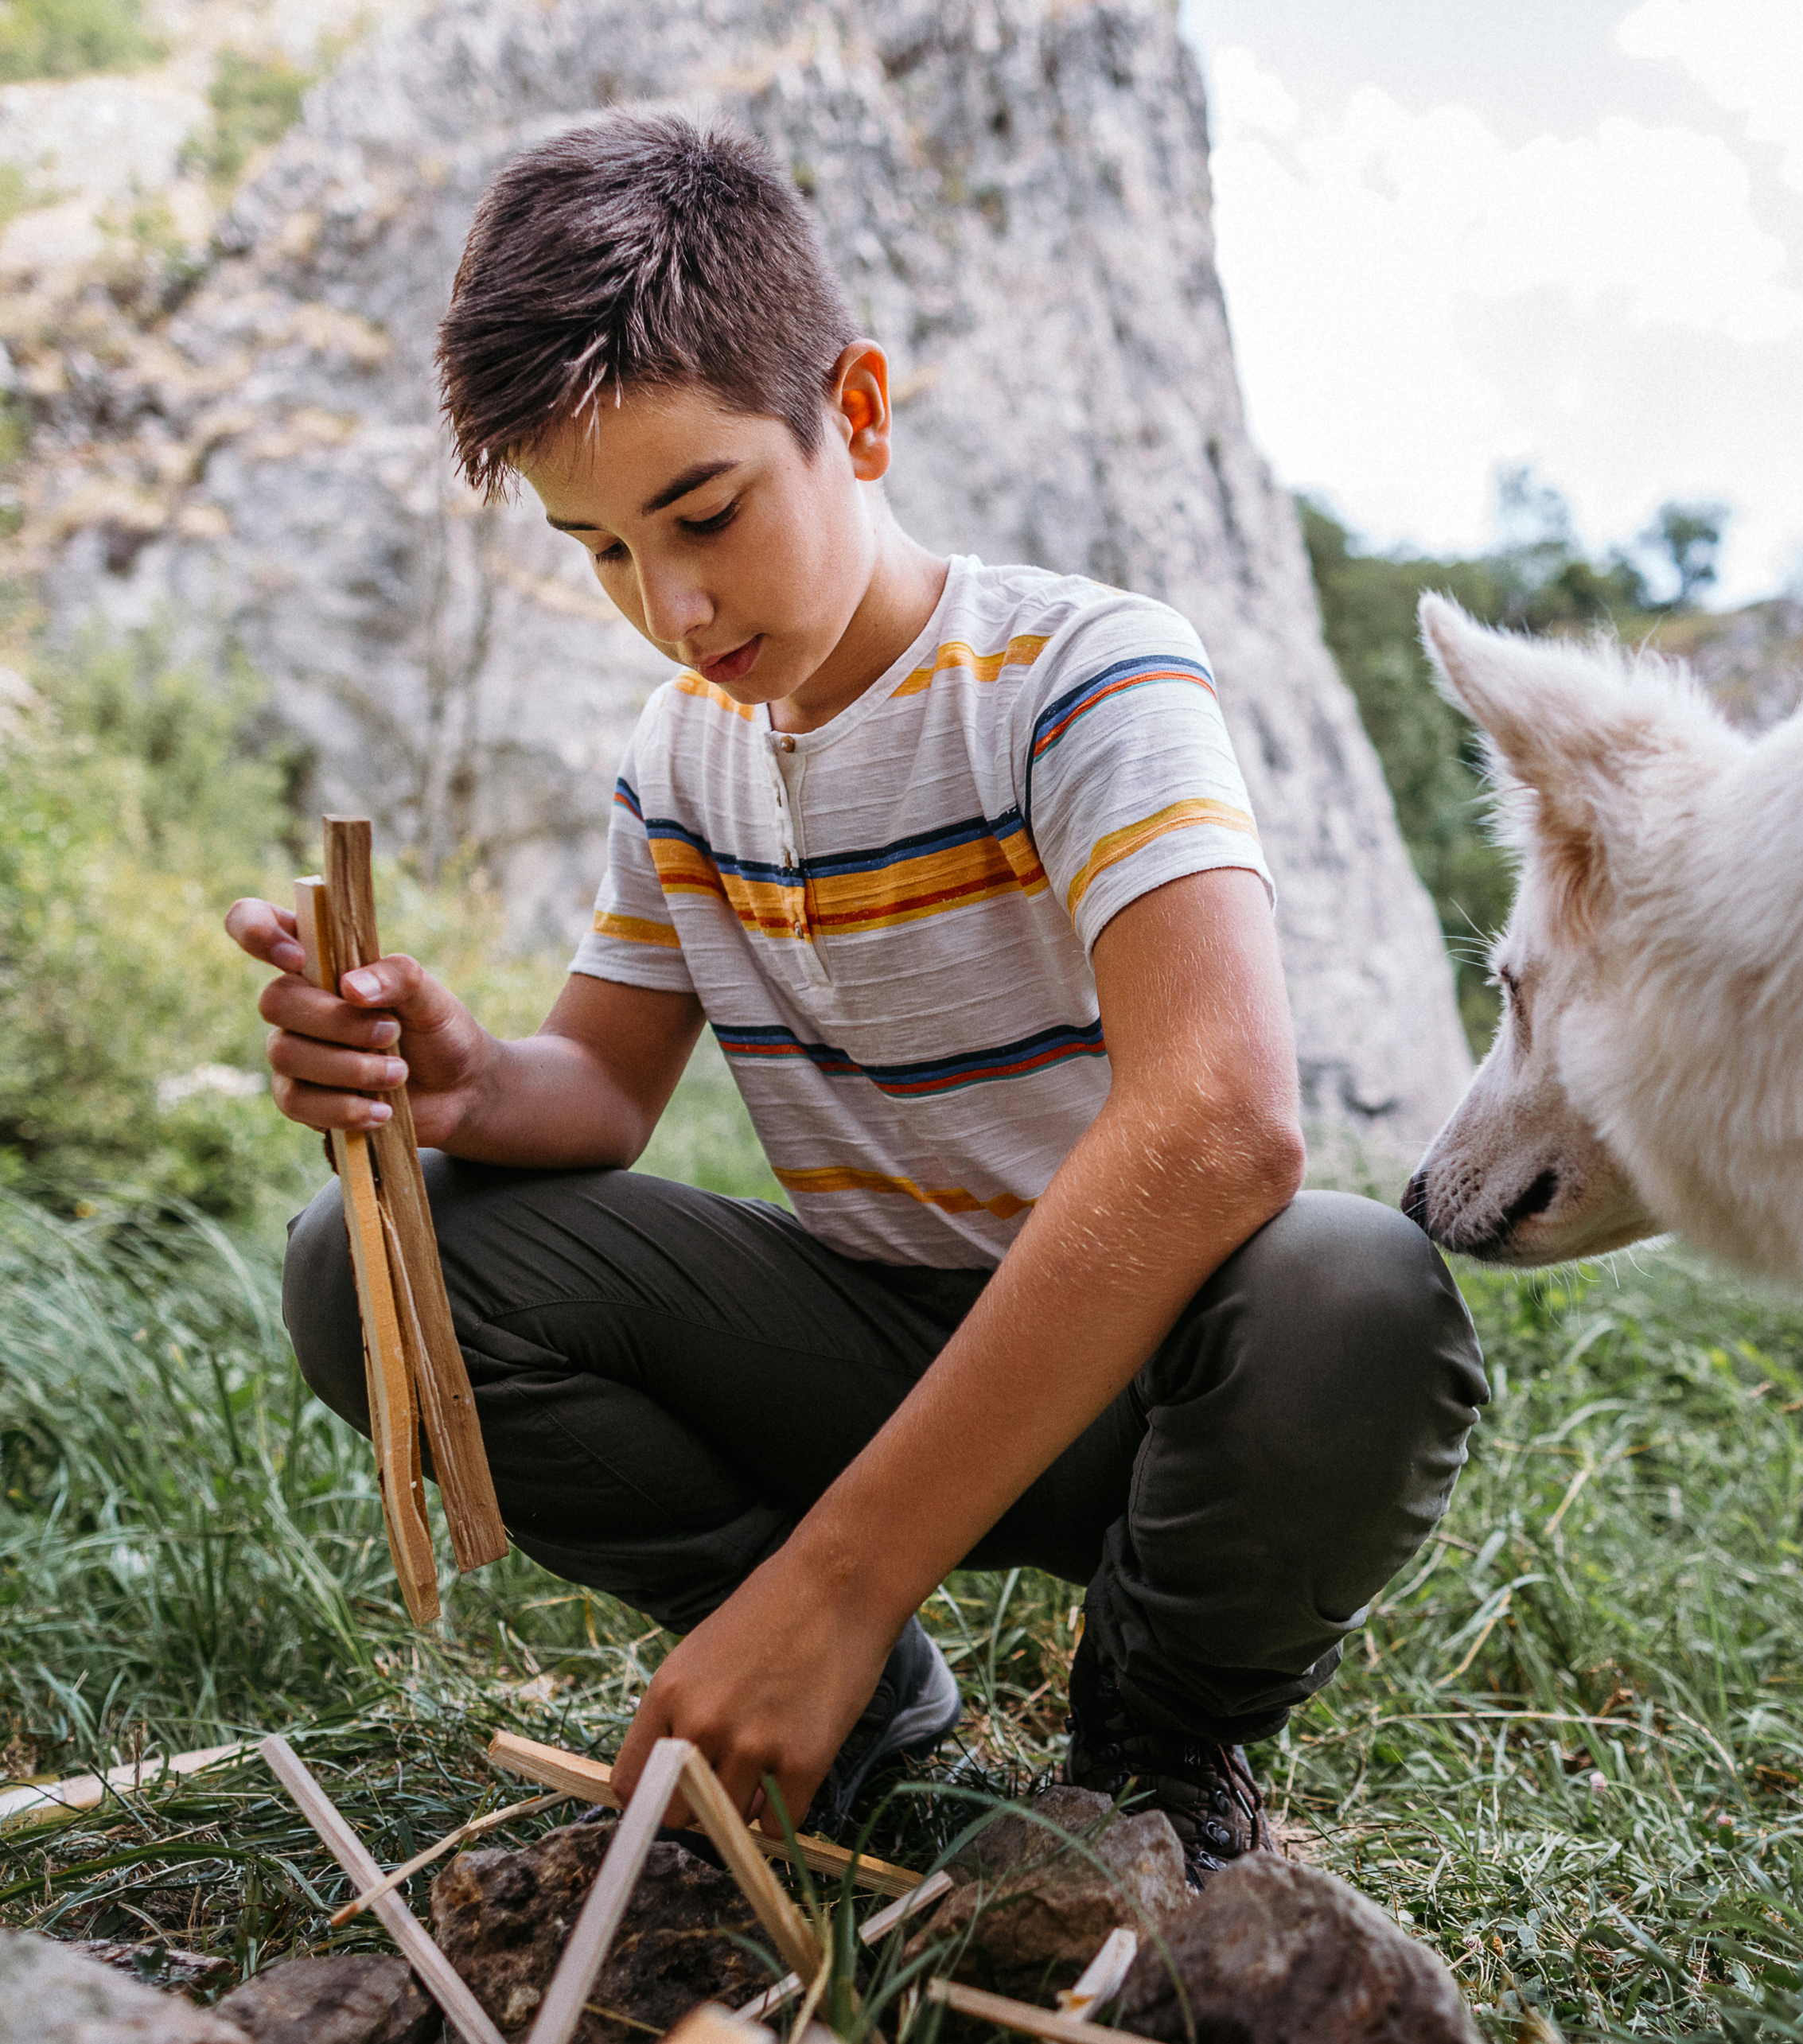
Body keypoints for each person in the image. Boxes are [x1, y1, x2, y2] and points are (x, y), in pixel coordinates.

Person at [226, 115, 1486, 1883]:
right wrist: (455, 1075)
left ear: (861, 416)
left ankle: (1149, 1744)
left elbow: (1219, 1125)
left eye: (705, 511)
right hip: (868, 1350)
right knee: (368, 1258)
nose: (669, 604)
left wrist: (844, 1566)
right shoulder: (681, 753)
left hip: (1148, 1380)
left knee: (1351, 1282)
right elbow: (590, 1094)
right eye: (597, 551)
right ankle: (870, 1712)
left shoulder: (1084, 676)